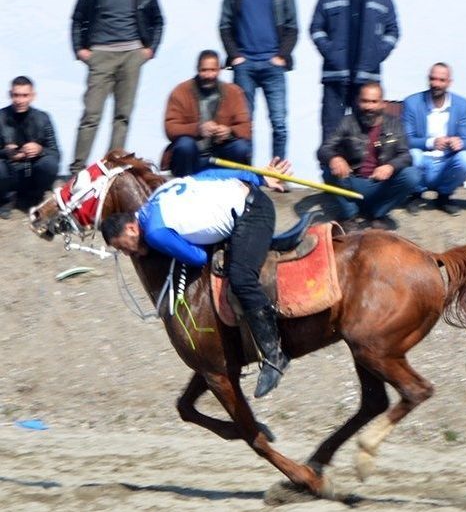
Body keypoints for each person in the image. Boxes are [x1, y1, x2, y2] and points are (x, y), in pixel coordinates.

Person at [99, 159, 292, 399]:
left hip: (253, 214)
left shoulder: (155, 233)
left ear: (131, 228)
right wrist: (260, 178)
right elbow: (209, 175)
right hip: (249, 195)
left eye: (123, 247)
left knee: (242, 279)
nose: (128, 254)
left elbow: (198, 258)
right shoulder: (156, 198)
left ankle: (274, 356)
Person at [69, 0, 164, 176]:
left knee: (122, 115)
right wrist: (80, 50)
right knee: (91, 113)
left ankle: (112, 167)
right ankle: (77, 169)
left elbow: (157, 19)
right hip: (101, 53)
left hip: (132, 54)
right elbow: (78, 18)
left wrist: (149, 50)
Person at [219, 0, 298, 161]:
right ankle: (247, 173)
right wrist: (235, 56)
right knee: (244, 124)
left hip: (273, 64)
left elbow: (292, 27)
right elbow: (224, 25)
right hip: (245, 65)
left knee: (279, 123)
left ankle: (278, 172)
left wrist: (281, 56)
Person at [310, 0, 400, 143]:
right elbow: (316, 28)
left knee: (367, 135)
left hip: (367, 80)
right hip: (335, 77)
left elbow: (393, 31)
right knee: (331, 134)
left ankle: (363, 165)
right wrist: (330, 52)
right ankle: (332, 165)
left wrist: (377, 55)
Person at [317, 82, 419, 230]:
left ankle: (379, 214)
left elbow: (406, 156)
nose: (369, 107)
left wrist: (390, 166)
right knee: (328, 170)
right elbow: (324, 149)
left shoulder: (395, 124)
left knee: (412, 175)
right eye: (364, 101)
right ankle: (349, 215)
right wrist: (335, 158)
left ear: (383, 104)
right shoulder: (347, 121)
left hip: (381, 184)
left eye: (373, 102)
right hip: (352, 182)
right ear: (358, 102)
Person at [401, 63, 466, 216]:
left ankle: (444, 196)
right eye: (432, 79)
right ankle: (416, 194)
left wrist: (459, 143)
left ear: (449, 82)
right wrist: (431, 143)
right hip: (423, 157)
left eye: (441, 80)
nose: (436, 84)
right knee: (413, 155)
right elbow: (406, 140)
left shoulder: (461, 104)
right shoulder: (412, 103)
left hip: (447, 160)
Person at [162, 50, 252, 178]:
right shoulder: (181, 91)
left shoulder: (234, 92)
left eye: (212, 70)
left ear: (219, 70)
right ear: (197, 69)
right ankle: (184, 182)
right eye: (204, 70)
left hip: (221, 155)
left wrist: (229, 131)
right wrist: (198, 129)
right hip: (192, 156)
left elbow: (246, 127)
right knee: (184, 145)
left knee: (241, 148)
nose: (208, 75)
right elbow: (170, 127)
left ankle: (236, 182)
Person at [0, 77, 60, 218]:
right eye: (16, 95)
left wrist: (40, 150)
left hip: (32, 174)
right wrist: (6, 152)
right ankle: (4, 200)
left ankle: (35, 198)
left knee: (50, 164)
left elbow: (55, 153)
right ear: (10, 95)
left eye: (24, 95)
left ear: (33, 96)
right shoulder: (1, 117)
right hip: (8, 175)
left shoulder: (43, 118)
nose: (19, 100)